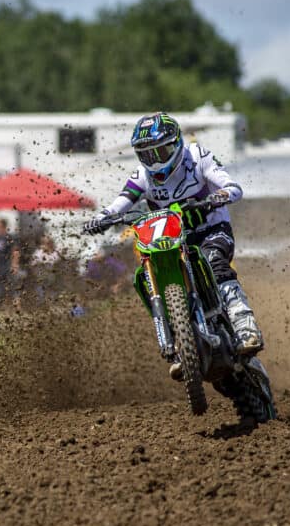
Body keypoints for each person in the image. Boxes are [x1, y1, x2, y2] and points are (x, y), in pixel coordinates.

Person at [83, 111, 264, 360]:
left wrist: (220, 195)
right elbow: (120, 202)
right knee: (147, 277)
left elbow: (232, 186)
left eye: (160, 152)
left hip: (210, 231)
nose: (154, 161)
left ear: (176, 143)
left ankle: (245, 327)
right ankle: (177, 343)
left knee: (215, 264)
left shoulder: (198, 157)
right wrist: (102, 218)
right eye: (146, 154)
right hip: (168, 243)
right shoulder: (142, 175)